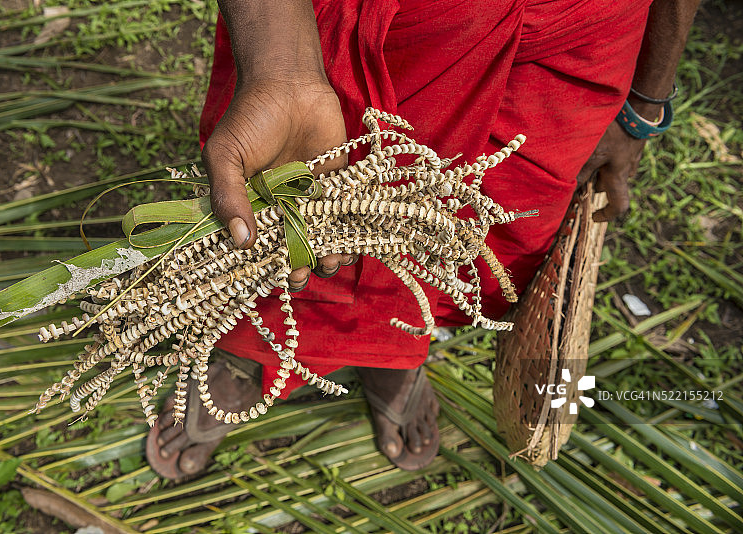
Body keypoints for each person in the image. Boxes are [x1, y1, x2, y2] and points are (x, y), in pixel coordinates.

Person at [147, 0, 700, 479]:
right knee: (295, 205)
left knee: (492, 230)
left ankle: (394, 347)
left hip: (578, 32)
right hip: (395, 21)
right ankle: (249, 352)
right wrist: (281, 69)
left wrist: (644, 102)